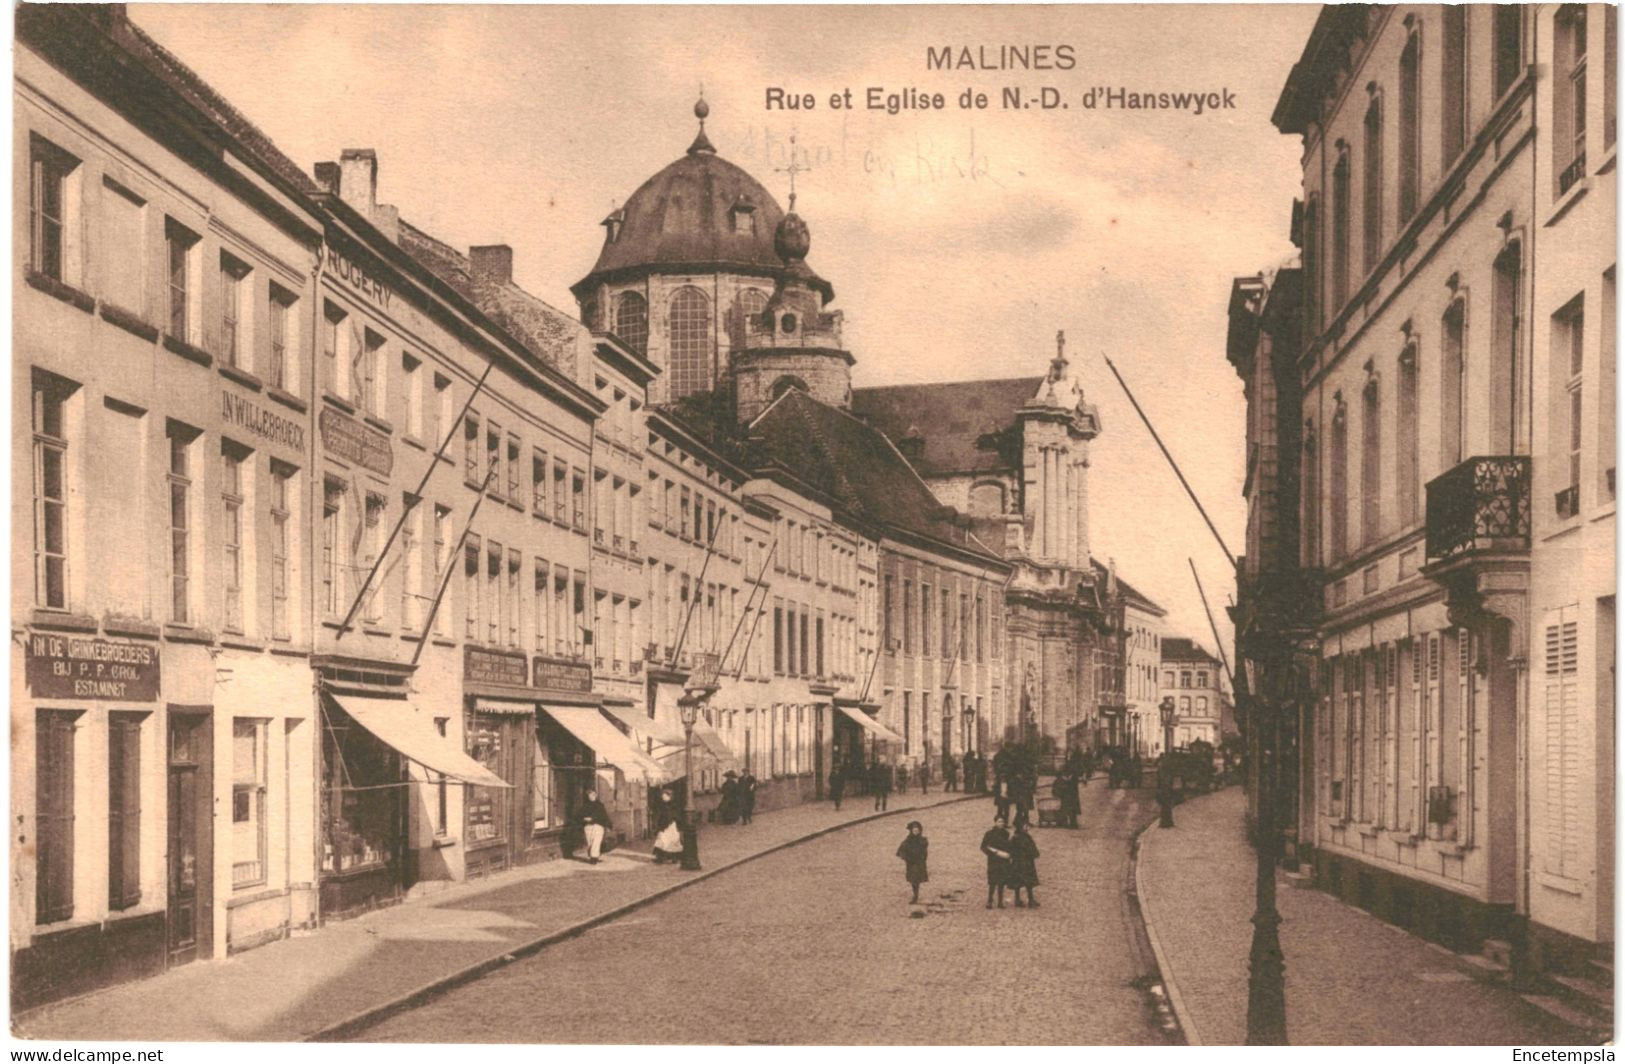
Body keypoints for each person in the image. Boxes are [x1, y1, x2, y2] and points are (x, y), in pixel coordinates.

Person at [980, 816, 1012, 909]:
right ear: (995, 822)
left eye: (1002, 822)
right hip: (993, 861)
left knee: (1002, 881)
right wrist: (992, 853)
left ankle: (1000, 902)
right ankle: (989, 901)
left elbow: (1008, 846)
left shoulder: (1006, 833)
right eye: (999, 821)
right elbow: (983, 847)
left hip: (1003, 860)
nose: (1001, 823)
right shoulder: (989, 834)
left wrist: (1007, 854)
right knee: (992, 881)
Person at [575, 788, 612, 865]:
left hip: (598, 826)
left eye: (593, 795)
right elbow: (579, 815)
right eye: (589, 795)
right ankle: (594, 856)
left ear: (596, 795)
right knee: (590, 842)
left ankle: (594, 858)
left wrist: (608, 825)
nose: (591, 797)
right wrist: (584, 819)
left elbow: (604, 815)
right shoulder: (585, 806)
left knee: (596, 841)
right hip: (588, 826)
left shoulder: (600, 805)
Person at [896, 821, 929, 904]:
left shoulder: (922, 840)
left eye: (917, 831)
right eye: (914, 831)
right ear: (911, 831)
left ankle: (915, 896)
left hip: (919, 863)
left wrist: (922, 858)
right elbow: (901, 850)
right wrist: (905, 857)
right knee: (913, 880)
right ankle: (915, 894)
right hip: (911, 863)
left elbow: (925, 852)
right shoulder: (908, 840)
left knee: (916, 879)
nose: (916, 832)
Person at [1008, 821, 1040, 907]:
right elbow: (1033, 850)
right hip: (1027, 863)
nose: (1028, 827)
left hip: (1017, 863)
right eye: (1026, 825)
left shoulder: (1014, 837)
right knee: (1029, 882)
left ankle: (1017, 900)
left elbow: (1010, 849)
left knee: (1017, 882)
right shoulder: (1026, 837)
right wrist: (1035, 854)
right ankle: (1030, 900)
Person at [651, 787, 682, 864]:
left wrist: (670, 822)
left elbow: (674, 816)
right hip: (664, 826)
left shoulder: (673, 805)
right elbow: (661, 815)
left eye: (665, 796)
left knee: (671, 841)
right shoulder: (663, 805)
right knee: (662, 840)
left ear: (669, 796)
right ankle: (660, 857)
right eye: (663, 796)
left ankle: (673, 857)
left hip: (671, 826)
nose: (663, 797)